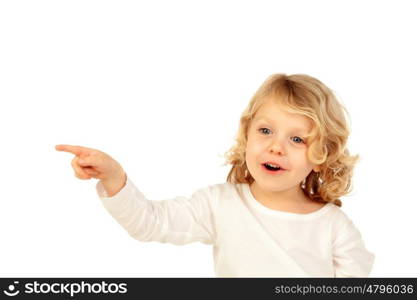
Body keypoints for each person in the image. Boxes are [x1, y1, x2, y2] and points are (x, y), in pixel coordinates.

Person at [55, 73, 375, 277]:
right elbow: (149, 222)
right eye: (265, 130)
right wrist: (114, 178)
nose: (276, 147)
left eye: (296, 139)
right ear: (246, 135)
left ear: (321, 156)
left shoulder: (334, 227)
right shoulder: (220, 205)